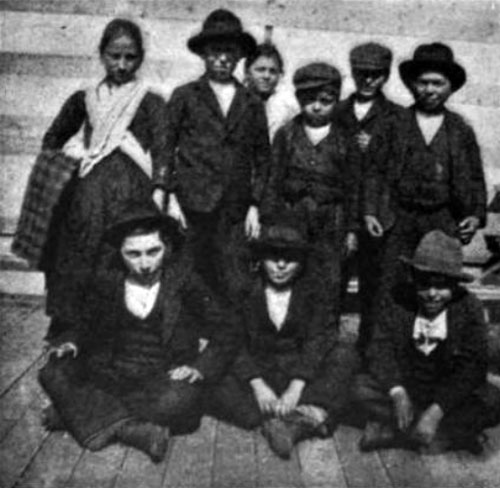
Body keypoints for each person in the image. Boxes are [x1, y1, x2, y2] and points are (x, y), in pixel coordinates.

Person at [38, 201, 239, 463]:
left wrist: (200, 366)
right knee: (52, 372)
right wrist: (71, 341)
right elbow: (83, 324)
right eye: (133, 254)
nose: (144, 263)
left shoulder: (186, 283)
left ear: (166, 247)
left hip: (161, 381)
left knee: (180, 401)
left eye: (153, 251)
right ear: (120, 251)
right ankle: (132, 430)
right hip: (109, 376)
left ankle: (79, 413)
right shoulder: (106, 280)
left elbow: (227, 328)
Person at [12, 18, 169, 341]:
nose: (122, 65)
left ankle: (121, 331)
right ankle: (69, 328)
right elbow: (52, 140)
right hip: (86, 196)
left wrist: (160, 190)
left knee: (123, 256)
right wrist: (72, 162)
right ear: (102, 55)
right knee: (77, 255)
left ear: (140, 58)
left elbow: (164, 151)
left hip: (131, 195)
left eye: (131, 58)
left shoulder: (151, 101)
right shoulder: (84, 98)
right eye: (115, 56)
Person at [206, 214, 358, 459]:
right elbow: (232, 340)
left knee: (345, 355)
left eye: (290, 259)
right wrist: (257, 384)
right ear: (260, 258)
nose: (280, 265)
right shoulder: (244, 290)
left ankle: (288, 419)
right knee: (213, 372)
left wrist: (297, 385)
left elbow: (319, 339)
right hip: (259, 374)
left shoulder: (314, 292)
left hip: (299, 374)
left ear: (302, 262)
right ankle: (305, 417)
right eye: (273, 257)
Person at [354, 230, 500, 454]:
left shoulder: (469, 307)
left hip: (444, 391)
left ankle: (395, 431)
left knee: (492, 399)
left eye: (441, 286)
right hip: (407, 385)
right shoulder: (397, 300)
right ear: (413, 279)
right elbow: (379, 347)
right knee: (358, 387)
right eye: (424, 284)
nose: (432, 294)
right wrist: (397, 391)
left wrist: (437, 410)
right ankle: (442, 436)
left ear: (454, 285)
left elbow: (474, 365)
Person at [363, 43, 487, 303]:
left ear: (450, 86)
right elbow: (374, 170)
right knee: (390, 286)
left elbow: (475, 177)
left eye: (438, 83)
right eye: (423, 82)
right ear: (412, 84)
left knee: (437, 288)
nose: (430, 90)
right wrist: (370, 211)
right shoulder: (392, 124)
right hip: (398, 219)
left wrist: (474, 216)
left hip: (443, 219)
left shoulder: (460, 130)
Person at [163, 9, 271, 297]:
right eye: (215, 51)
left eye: (230, 52)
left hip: (234, 209)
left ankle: (228, 342)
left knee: (234, 279)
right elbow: (164, 147)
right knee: (184, 273)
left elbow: (263, 158)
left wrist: (255, 205)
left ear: (239, 57)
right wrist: (169, 195)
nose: (222, 58)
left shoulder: (251, 102)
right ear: (203, 54)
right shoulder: (185, 96)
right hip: (190, 204)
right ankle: (180, 340)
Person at [262, 62, 360, 328]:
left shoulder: (345, 140)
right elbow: (273, 179)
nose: (316, 107)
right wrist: (269, 221)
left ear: (336, 101)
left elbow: (353, 188)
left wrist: (351, 230)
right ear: (299, 100)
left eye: (325, 101)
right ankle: (292, 337)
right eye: (308, 100)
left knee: (328, 281)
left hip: (332, 223)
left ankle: (324, 337)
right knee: (294, 279)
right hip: (292, 219)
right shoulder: (287, 134)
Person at [334, 42, 404, 358]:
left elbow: (400, 168)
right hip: (340, 216)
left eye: (376, 74)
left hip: (380, 219)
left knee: (375, 294)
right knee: (332, 288)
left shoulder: (397, 117)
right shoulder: (336, 112)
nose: (369, 80)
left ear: (386, 76)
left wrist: (375, 146)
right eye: (362, 73)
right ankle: (325, 357)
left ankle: (369, 360)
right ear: (353, 72)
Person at [244, 42, 299, 140]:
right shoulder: (236, 100)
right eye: (260, 70)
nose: (266, 76)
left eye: (273, 71)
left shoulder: (289, 107)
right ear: (247, 71)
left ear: (279, 75)